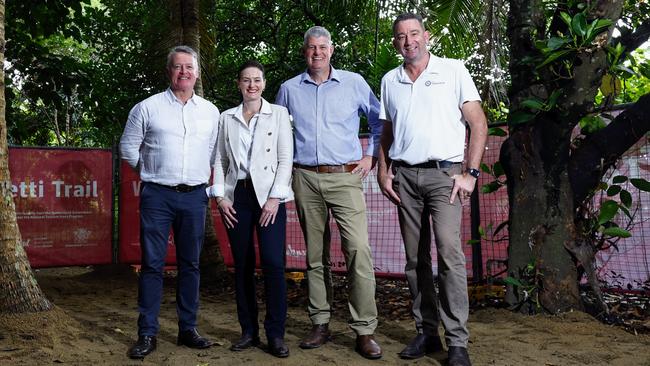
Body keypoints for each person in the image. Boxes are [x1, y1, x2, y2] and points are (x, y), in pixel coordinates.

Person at [376, 13, 488, 366]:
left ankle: (457, 342)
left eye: (414, 33)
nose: (408, 41)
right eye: (401, 36)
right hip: (405, 177)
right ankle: (427, 332)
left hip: (445, 177)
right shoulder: (389, 81)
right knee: (415, 259)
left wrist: (470, 172)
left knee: (450, 257)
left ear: (426, 36)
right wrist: (383, 170)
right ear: (395, 43)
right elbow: (387, 131)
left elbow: (478, 122)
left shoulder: (453, 70)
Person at [275, 26, 383, 360]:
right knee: (314, 256)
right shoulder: (289, 89)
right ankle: (320, 322)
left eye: (323, 47)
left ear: (332, 50)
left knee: (358, 251)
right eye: (311, 48)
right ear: (304, 51)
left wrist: (371, 155)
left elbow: (380, 121)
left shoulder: (354, 83)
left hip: (346, 177)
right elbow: (276, 130)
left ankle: (364, 329)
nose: (317, 53)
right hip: (305, 178)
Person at [120, 45, 219, 360]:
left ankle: (187, 329)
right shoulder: (147, 108)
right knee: (152, 265)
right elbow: (128, 148)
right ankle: (147, 333)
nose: (184, 72)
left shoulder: (210, 112)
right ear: (169, 71)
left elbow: (216, 153)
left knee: (191, 264)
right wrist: (151, 171)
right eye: (178, 67)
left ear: (197, 73)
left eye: (190, 67)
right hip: (157, 195)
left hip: (194, 196)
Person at [207, 60, 293, 358]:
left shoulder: (279, 114)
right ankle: (248, 331)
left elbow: (285, 160)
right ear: (239, 84)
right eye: (246, 80)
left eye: (257, 80)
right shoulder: (226, 118)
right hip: (237, 198)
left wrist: (274, 198)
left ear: (264, 84)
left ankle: (276, 334)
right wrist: (221, 197)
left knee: (272, 263)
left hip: (269, 198)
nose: (252, 85)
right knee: (242, 265)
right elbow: (219, 160)